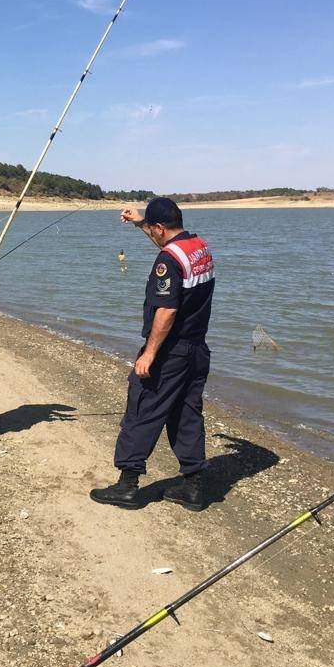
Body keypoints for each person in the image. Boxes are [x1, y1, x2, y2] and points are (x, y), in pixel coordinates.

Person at [90, 197, 215, 511]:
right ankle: (194, 485)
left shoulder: (168, 260)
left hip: (171, 351)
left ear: (160, 227)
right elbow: (168, 245)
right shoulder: (197, 246)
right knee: (187, 412)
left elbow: (167, 311)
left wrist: (149, 353)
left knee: (143, 408)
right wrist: (138, 222)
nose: (151, 232)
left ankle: (128, 485)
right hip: (197, 349)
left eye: (151, 227)